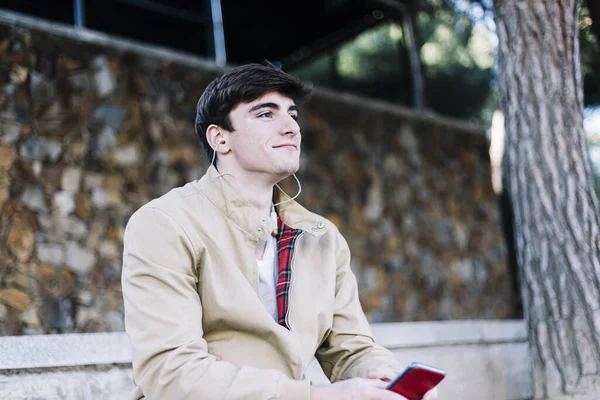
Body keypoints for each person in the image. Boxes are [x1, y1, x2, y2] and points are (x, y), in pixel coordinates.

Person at [121, 62, 439, 400]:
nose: (291, 128)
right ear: (220, 138)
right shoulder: (164, 223)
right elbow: (170, 373)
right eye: (266, 114)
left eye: (293, 114)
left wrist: (388, 379)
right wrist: (318, 397)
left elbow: (351, 349)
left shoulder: (321, 238)